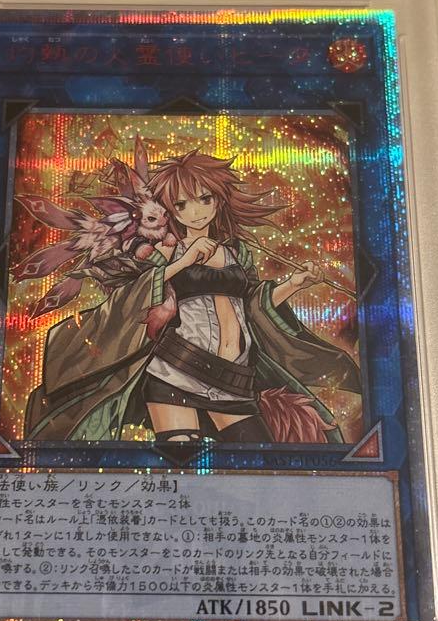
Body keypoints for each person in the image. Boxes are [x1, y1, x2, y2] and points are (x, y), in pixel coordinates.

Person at [22, 149, 360, 462]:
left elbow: (253, 306)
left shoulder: (236, 252)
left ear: (218, 199)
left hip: (234, 379)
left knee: (257, 460)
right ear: (169, 209)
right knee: (181, 464)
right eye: (181, 204)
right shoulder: (166, 250)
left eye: (204, 199)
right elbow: (137, 295)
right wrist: (184, 262)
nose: (195, 212)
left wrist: (294, 284)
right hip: (176, 370)